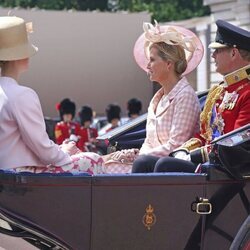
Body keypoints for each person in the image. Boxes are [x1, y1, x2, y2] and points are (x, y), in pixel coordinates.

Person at [133, 19, 250, 173]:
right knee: (144, 163)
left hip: (228, 169)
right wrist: (184, 150)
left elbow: (235, 143)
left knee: (165, 165)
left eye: (218, 50)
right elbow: (203, 135)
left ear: (233, 53)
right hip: (210, 163)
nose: (213, 55)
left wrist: (194, 156)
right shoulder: (219, 92)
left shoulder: (247, 93)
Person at [0, 16, 105, 175]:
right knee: (93, 160)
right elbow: (41, 147)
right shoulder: (22, 95)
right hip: (20, 174)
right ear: (19, 55)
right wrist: (65, 152)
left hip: (8, 171)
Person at [104, 21, 204, 173]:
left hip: (170, 168)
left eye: (152, 59)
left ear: (168, 64)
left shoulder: (185, 96)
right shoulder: (157, 99)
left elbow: (177, 145)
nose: (148, 65)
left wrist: (140, 157)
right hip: (148, 163)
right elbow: (149, 142)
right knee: (101, 166)